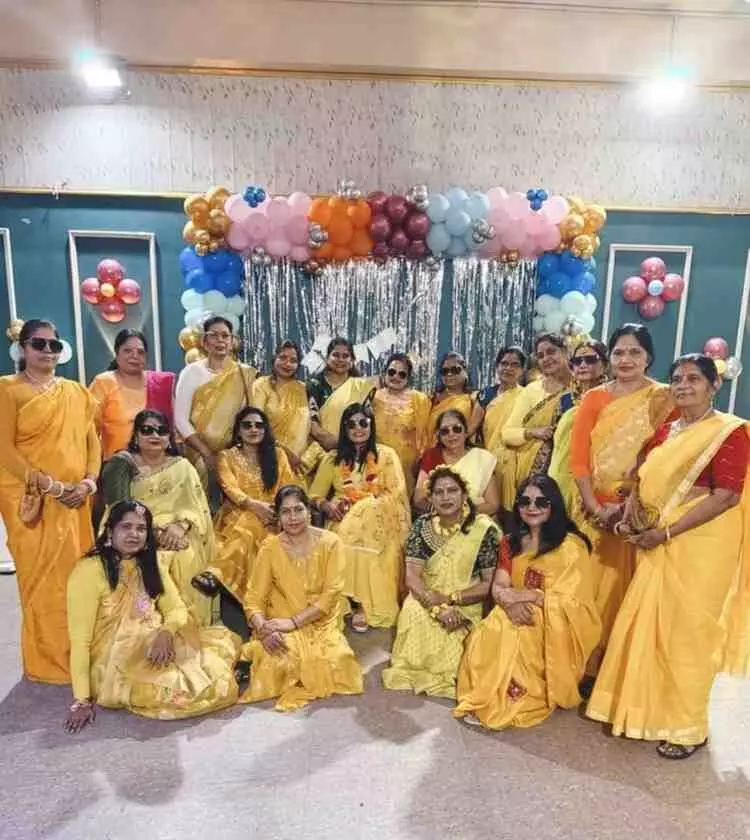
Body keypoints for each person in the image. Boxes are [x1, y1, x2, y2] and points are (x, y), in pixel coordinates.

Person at [587, 354, 750, 759]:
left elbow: (726, 496)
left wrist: (666, 532)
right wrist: (629, 520)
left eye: (694, 379)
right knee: (653, 629)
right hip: (656, 540)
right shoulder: (666, 430)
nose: (683, 386)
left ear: (714, 385)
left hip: (702, 545)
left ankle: (688, 728)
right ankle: (647, 714)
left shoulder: (729, 432)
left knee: (689, 635)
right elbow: (641, 481)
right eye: (677, 379)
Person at [63, 501, 239, 733]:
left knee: (213, 674)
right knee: (179, 694)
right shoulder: (88, 571)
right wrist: (81, 700)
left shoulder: (149, 563)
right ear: (109, 531)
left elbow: (176, 609)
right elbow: (80, 641)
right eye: (126, 527)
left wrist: (165, 633)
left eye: (141, 528)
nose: (134, 534)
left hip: (155, 642)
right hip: (114, 661)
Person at [454, 475, 600, 729]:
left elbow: (576, 601)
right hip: (512, 608)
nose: (532, 507)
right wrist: (509, 603)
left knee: (522, 632)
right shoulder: (511, 542)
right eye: (525, 501)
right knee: (495, 625)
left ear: (553, 505)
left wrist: (528, 596)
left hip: (554, 622)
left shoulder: (571, 546)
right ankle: (486, 695)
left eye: (541, 502)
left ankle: (517, 696)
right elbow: (499, 585)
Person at [0, 319, 101, 684]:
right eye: (38, 344)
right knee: (42, 580)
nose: (46, 351)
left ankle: (82, 654)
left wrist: (88, 483)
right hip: (30, 501)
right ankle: (48, 660)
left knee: (79, 577)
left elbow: (92, 443)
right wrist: (51, 487)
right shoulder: (7, 390)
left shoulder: (76, 392)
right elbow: (4, 449)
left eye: (53, 345)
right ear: (22, 348)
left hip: (76, 500)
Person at [570, 324, 673, 677]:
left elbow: (667, 457)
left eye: (634, 352)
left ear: (648, 357)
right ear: (609, 358)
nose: (626, 359)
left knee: (624, 590)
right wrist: (595, 507)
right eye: (618, 352)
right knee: (587, 589)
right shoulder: (594, 398)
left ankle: (615, 672)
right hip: (593, 510)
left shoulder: (663, 398)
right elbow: (579, 460)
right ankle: (583, 666)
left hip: (638, 512)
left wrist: (629, 505)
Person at [240, 486, 363, 712]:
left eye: (298, 509)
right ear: (278, 517)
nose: (293, 517)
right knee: (278, 661)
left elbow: (329, 597)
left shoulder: (331, 543)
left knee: (339, 661)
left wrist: (293, 622)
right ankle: (258, 651)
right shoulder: (270, 548)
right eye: (286, 512)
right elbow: (254, 599)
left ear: (309, 511)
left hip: (320, 622)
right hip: (279, 621)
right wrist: (264, 630)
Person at [382, 467, 499, 698]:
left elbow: (488, 584)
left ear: (464, 495)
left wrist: (450, 599)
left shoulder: (483, 530)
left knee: (456, 646)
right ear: (431, 498)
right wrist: (436, 606)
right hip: (427, 596)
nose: (446, 497)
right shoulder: (422, 526)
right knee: (413, 611)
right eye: (439, 492)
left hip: (467, 600)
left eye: (452, 490)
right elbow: (412, 576)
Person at [192, 407, 299, 638]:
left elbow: (289, 487)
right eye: (247, 425)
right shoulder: (226, 456)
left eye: (259, 425)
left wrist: (278, 513)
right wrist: (255, 506)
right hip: (236, 516)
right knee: (250, 522)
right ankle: (257, 623)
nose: (253, 429)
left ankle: (217, 574)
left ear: (265, 429)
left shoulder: (277, 455)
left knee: (258, 531)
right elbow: (230, 488)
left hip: (273, 517)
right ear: (238, 431)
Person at [100, 410, 214, 626]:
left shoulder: (182, 466)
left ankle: (188, 625)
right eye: (147, 430)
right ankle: (146, 625)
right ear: (136, 436)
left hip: (178, 532)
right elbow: (118, 509)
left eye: (161, 431)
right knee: (150, 560)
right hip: (137, 532)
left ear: (169, 438)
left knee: (186, 556)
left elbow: (196, 506)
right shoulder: (123, 464)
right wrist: (153, 535)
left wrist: (181, 526)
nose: (155, 435)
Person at [308, 401, 410, 632]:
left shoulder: (387, 455)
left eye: (363, 423)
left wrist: (365, 507)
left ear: (371, 426)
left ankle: (363, 605)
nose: (358, 428)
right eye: (351, 424)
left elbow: (396, 492)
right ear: (344, 428)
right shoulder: (333, 458)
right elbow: (314, 494)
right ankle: (352, 603)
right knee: (343, 537)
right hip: (342, 518)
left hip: (381, 519)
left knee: (368, 526)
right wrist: (327, 506)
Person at [174, 316, 256, 501]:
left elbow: (250, 415)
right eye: (214, 335)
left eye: (225, 336)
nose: (220, 340)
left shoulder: (244, 373)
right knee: (203, 488)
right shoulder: (191, 372)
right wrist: (206, 452)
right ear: (204, 341)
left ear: (232, 342)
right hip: (198, 450)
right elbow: (180, 419)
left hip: (234, 450)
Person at [498, 333, 571, 505]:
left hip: (569, 468)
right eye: (540, 355)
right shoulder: (532, 390)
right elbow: (507, 433)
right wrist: (533, 432)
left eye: (551, 352)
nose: (546, 359)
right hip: (532, 468)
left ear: (565, 352)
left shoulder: (580, 387)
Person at [89, 329, 175, 461]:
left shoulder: (160, 384)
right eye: (127, 351)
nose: (135, 356)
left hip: (158, 465)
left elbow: (174, 429)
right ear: (117, 354)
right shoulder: (104, 382)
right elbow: (89, 430)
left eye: (140, 352)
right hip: (118, 465)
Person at [548, 339, 608, 514]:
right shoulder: (564, 401)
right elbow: (554, 442)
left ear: (604, 365)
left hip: (593, 478)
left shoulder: (610, 400)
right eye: (577, 361)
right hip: (560, 474)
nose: (582, 365)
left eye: (590, 360)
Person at [304, 337, 375, 472]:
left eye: (345, 356)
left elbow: (368, 421)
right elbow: (312, 423)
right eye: (336, 355)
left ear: (352, 360)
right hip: (320, 452)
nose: (340, 360)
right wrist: (334, 443)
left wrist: (351, 446)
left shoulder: (361, 387)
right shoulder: (314, 385)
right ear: (327, 358)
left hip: (355, 452)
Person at [413, 409, 499, 517]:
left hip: (475, 519)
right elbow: (419, 500)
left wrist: (461, 513)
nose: (451, 434)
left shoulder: (482, 458)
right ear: (439, 436)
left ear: (466, 431)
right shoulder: (432, 456)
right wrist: (445, 512)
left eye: (457, 429)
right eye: (445, 431)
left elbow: (492, 505)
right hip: (439, 519)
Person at [372, 352, 431, 496]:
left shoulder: (419, 399)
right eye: (392, 372)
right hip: (376, 460)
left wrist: (421, 463)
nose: (396, 377)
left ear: (408, 378)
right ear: (385, 373)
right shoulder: (373, 397)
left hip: (406, 465)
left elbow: (425, 434)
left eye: (402, 374)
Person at [251, 340, 310, 476]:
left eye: (293, 360)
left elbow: (309, 425)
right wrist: (285, 452)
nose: (287, 364)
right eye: (283, 358)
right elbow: (257, 425)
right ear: (274, 359)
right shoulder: (261, 385)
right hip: (270, 456)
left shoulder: (303, 388)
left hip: (301, 463)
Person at [469, 345, 526, 447]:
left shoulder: (527, 395)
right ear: (497, 367)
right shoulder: (486, 394)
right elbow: (471, 427)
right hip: (490, 452)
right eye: (504, 363)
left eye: (514, 365)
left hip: (518, 452)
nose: (508, 368)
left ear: (522, 370)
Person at [427, 352, 476, 442]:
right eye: (445, 371)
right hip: (431, 448)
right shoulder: (432, 399)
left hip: (458, 447)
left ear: (465, 372)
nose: (449, 374)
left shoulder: (474, 399)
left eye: (455, 370)